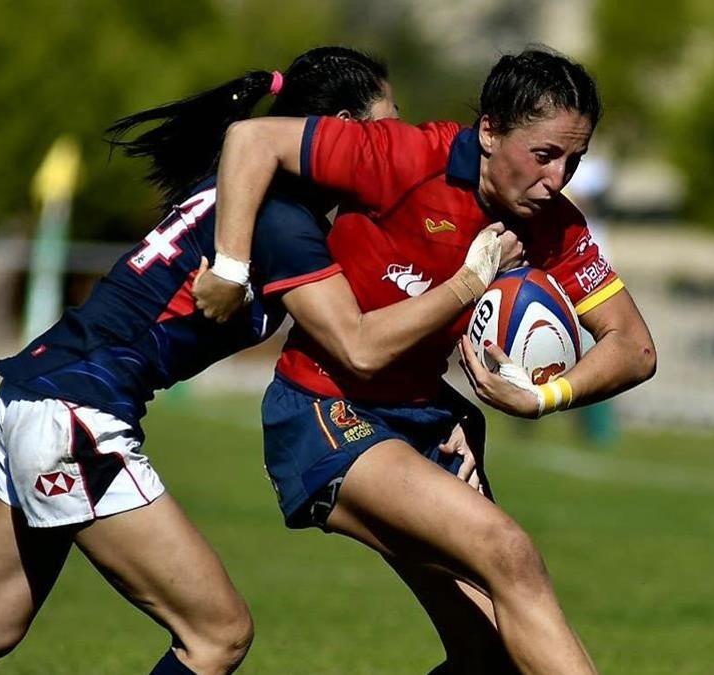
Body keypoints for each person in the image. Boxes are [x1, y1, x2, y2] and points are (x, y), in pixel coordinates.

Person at [0, 47, 521, 674]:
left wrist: (440, 402)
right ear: (345, 125)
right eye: (388, 120)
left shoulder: (245, 187)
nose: (399, 135)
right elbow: (356, 346)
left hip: (35, 395)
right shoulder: (281, 219)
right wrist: (466, 281)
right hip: (75, 413)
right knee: (217, 636)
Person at [194, 47, 657, 674]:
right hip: (325, 410)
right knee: (509, 552)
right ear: (489, 131)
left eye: (574, 160)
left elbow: (634, 347)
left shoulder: (554, 224)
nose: (558, 178)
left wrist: (542, 396)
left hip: (423, 422)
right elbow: (250, 138)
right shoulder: (404, 156)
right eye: (544, 154)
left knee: (487, 656)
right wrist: (229, 266)